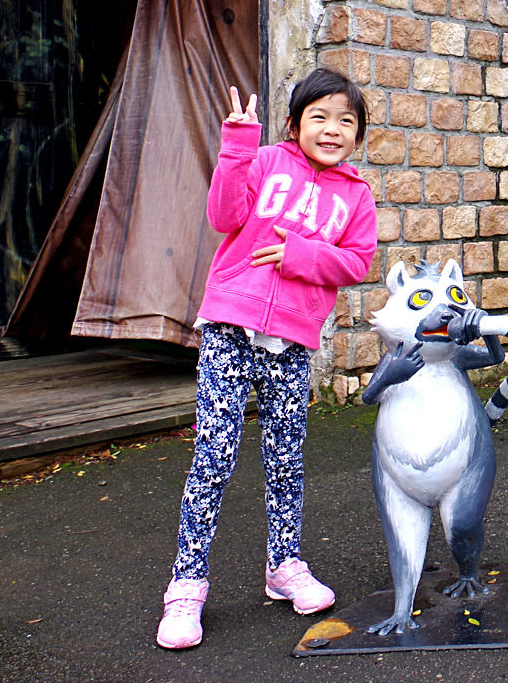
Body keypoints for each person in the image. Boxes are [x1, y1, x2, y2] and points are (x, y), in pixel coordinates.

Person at [156, 69, 378, 650]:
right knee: (215, 455)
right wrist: (236, 146)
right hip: (230, 325)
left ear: (358, 135)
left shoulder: (356, 195)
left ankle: (285, 567)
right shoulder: (264, 163)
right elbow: (224, 217)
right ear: (294, 124)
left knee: (286, 458)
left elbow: (357, 263)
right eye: (319, 118)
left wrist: (301, 254)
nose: (332, 130)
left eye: (346, 122)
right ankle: (187, 587)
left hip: (292, 341)